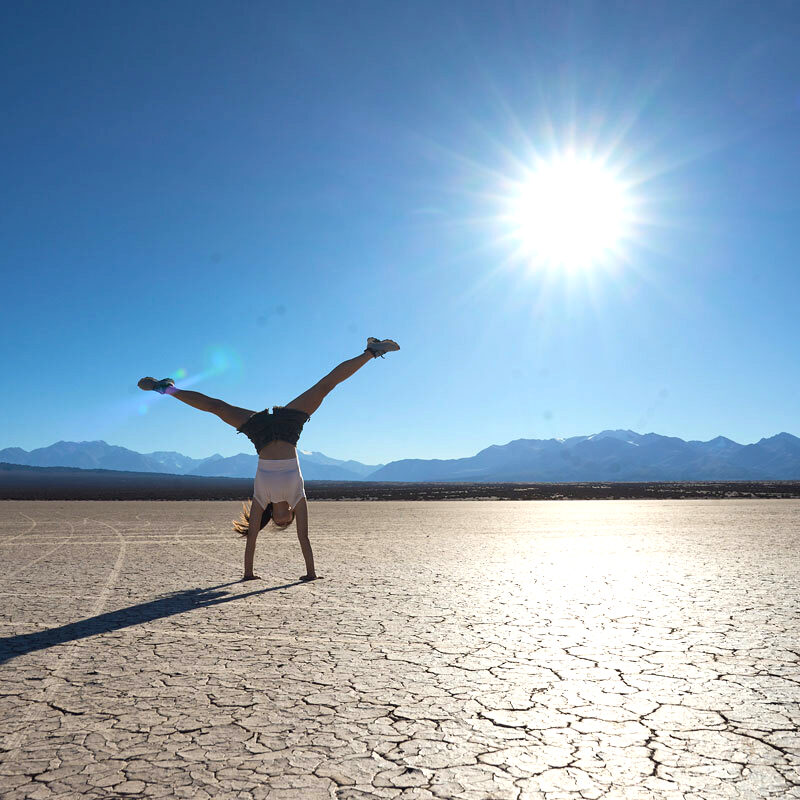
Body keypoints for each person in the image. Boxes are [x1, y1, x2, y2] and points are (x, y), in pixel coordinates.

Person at [137, 337, 400, 582]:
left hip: (261, 434)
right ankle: (371, 352)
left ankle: (166, 388)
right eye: (288, 521)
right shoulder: (299, 497)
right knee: (323, 387)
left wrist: (248, 574)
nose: (284, 519)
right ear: (292, 515)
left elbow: (252, 537)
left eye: (279, 521)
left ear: (273, 515)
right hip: (288, 429)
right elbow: (304, 538)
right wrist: (311, 573)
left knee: (217, 408)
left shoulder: (262, 500)